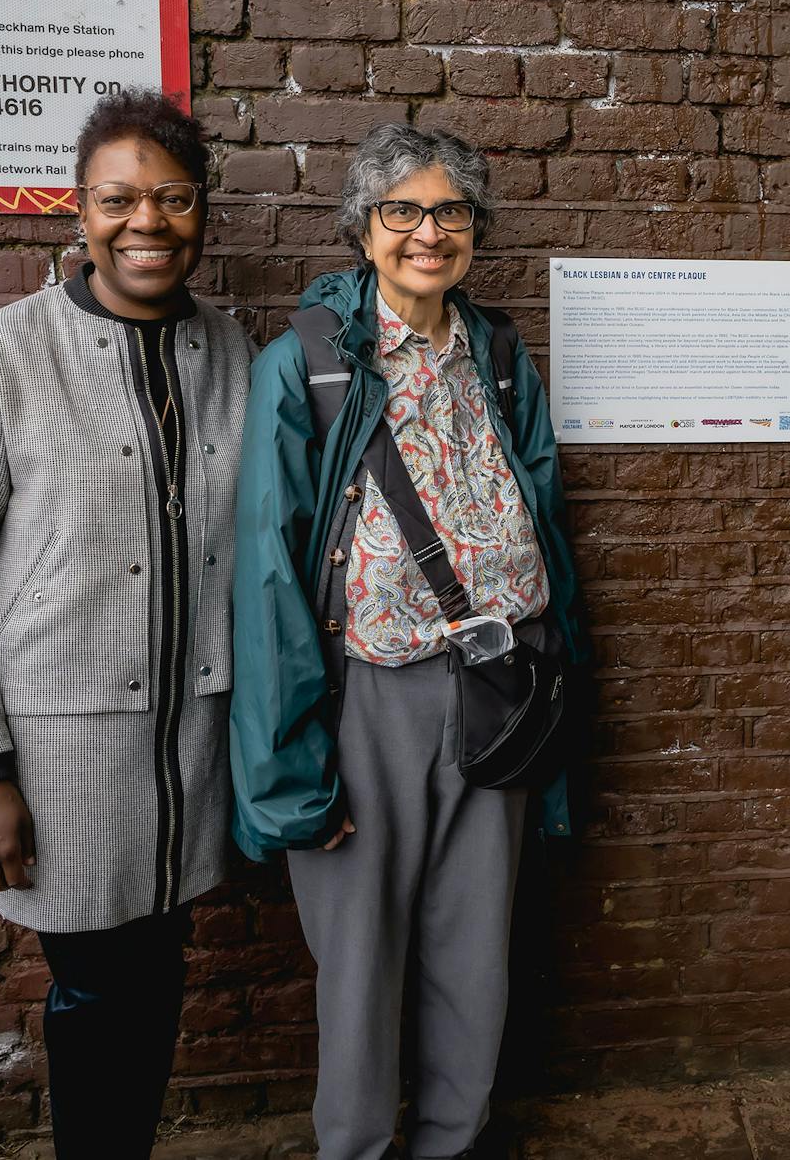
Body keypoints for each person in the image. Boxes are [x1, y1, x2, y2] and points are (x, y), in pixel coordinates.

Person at [230, 124, 590, 1160]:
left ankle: (451, 1141)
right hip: (368, 703)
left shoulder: (501, 355)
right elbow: (269, 569)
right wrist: (291, 771)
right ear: (363, 228)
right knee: (360, 966)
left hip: (498, 689)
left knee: (473, 956)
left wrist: (552, 681)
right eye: (403, 212)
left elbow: (549, 531)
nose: (428, 234)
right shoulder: (305, 365)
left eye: (450, 212)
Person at [0, 90, 250, 1158]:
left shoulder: (232, 350)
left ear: (202, 211)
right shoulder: (1, 358)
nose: (147, 222)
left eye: (173, 198)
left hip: (194, 753)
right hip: (60, 760)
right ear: (80, 211)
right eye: (119, 199)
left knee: (156, 972)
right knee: (99, 987)